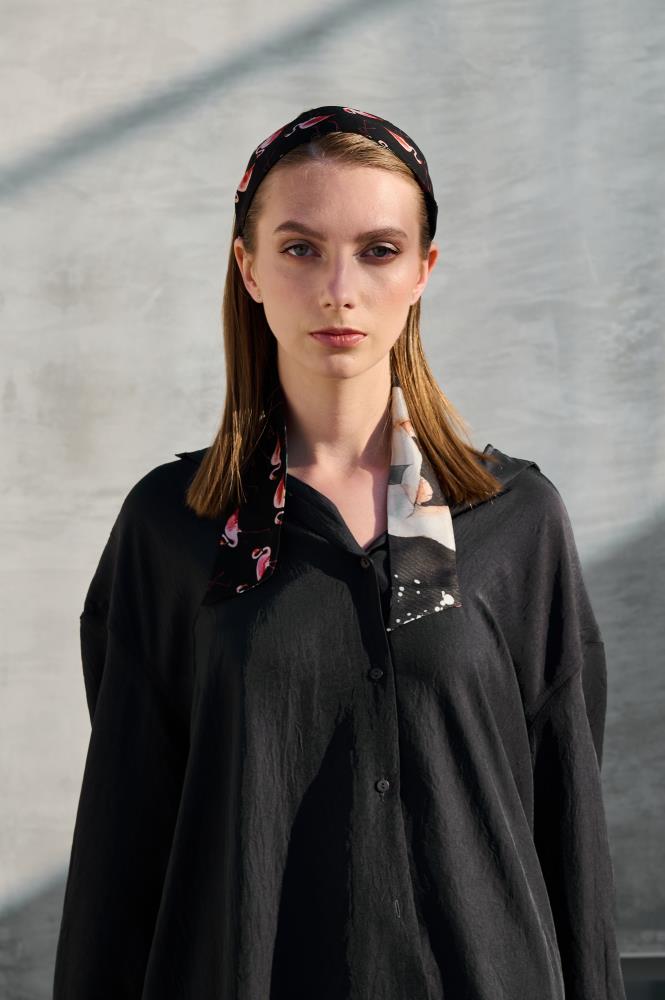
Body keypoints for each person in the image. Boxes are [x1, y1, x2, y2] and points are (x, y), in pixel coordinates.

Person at [53, 106, 626, 1000]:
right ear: (247, 267)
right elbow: (122, 849)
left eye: (378, 249)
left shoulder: (515, 523)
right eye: (299, 248)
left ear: (424, 271)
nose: (338, 288)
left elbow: (566, 822)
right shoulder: (171, 530)